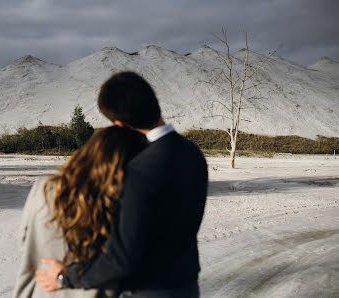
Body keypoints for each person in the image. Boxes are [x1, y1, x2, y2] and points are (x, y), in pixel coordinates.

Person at [37, 71, 208, 298]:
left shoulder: (139, 171)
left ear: (119, 123)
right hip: (187, 288)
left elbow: (121, 258)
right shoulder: (193, 154)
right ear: (153, 101)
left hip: (147, 291)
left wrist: (65, 277)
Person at [13, 126, 147, 298]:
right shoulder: (119, 203)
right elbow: (121, 261)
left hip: (41, 290)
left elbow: (24, 240)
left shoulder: (44, 187)